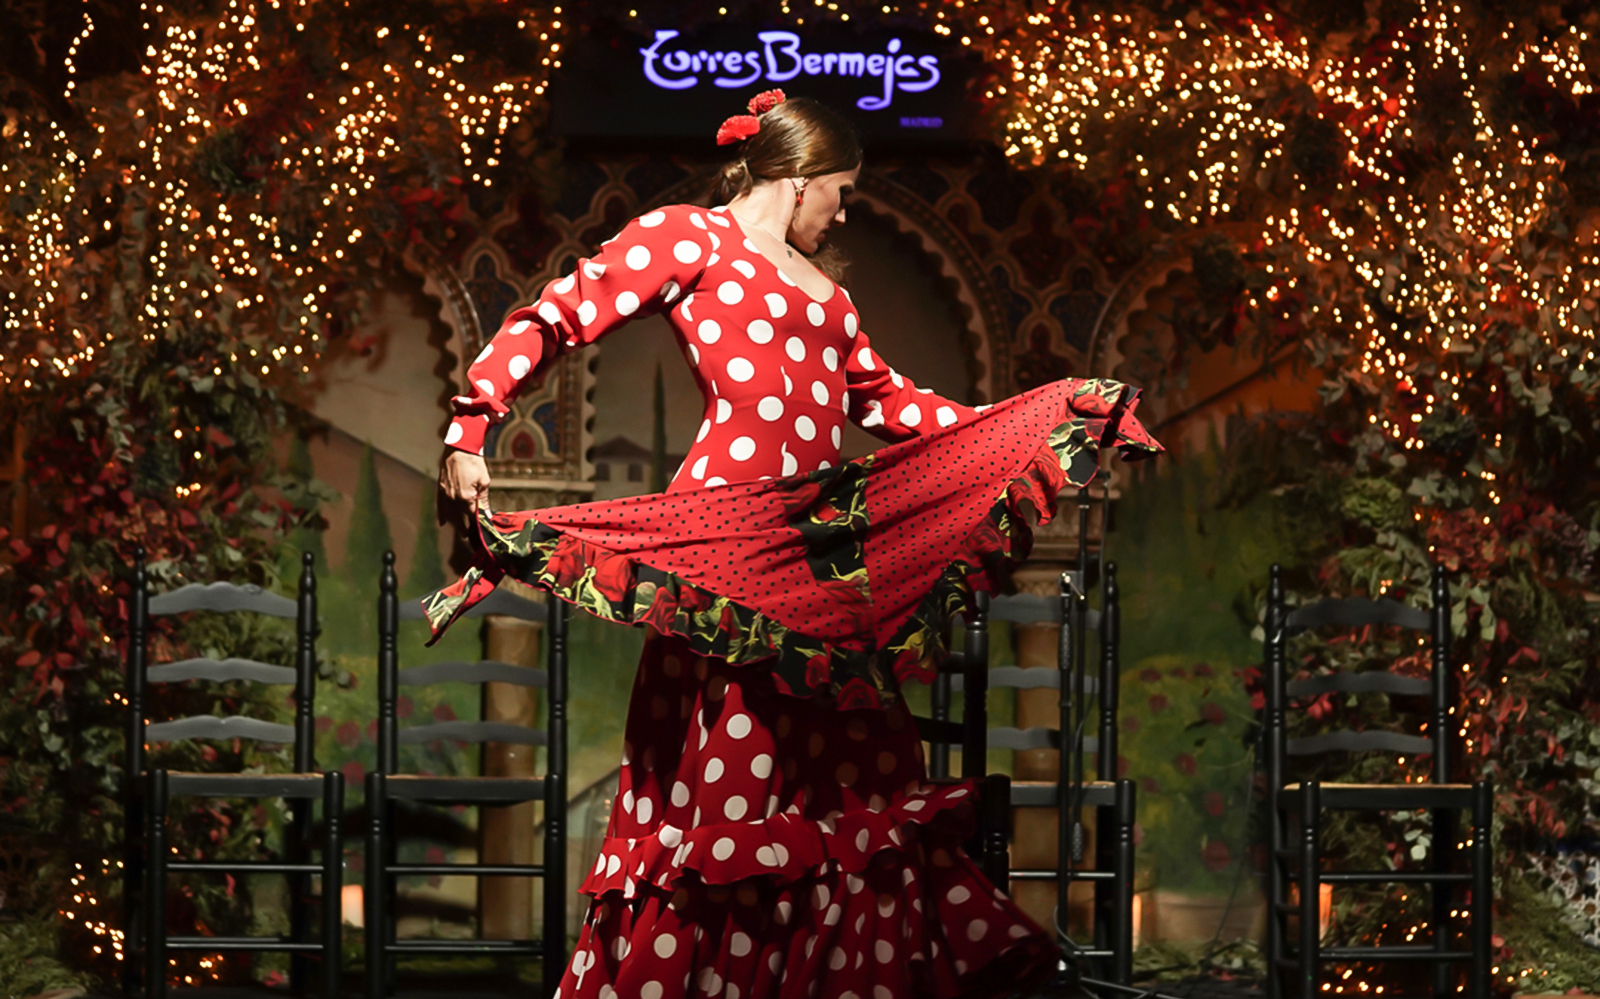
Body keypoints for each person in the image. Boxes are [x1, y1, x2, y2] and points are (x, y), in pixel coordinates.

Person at [434, 91, 1161, 999]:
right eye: (843, 192)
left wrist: (1022, 426)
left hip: (819, 563)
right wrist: (472, 425)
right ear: (805, 177)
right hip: (731, 551)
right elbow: (561, 312)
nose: (844, 211)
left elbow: (891, 406)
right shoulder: (687, 238)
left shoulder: (829, 294)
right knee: (732, 775)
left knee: (861, 785)